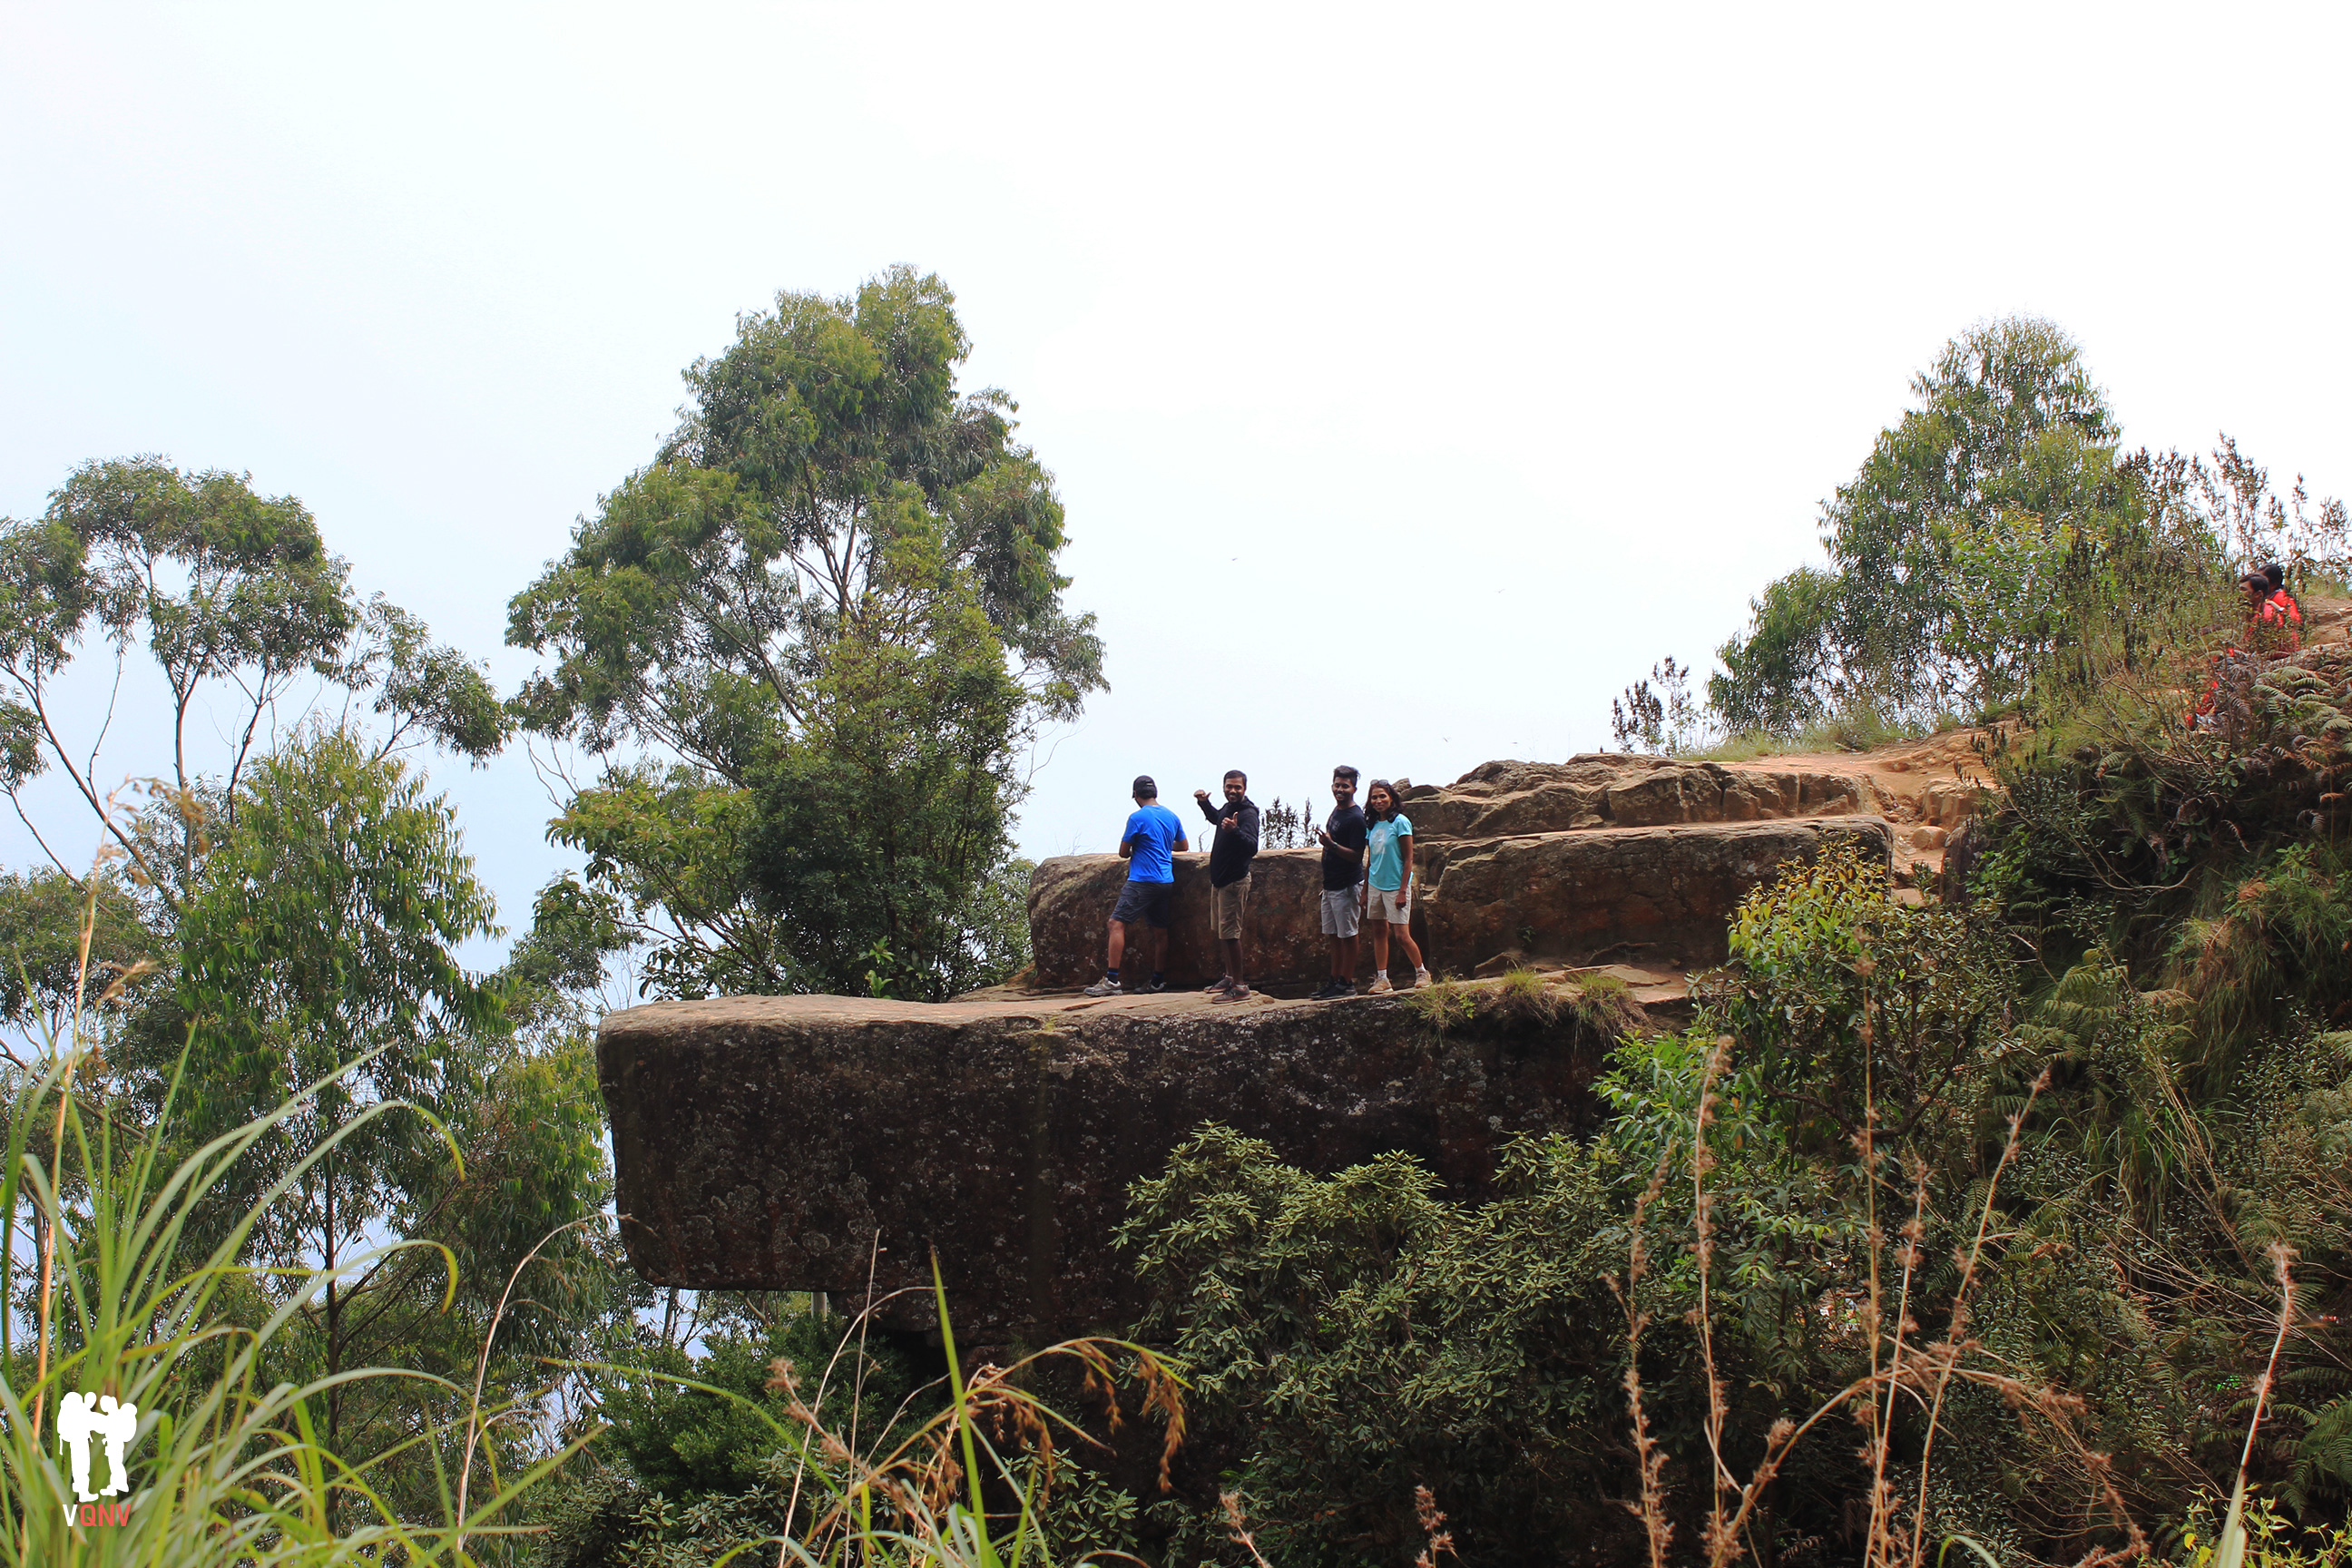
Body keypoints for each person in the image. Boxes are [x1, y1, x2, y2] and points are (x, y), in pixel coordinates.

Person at [1083, 776, 1188, 996]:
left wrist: (1141, 849)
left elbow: (1123, 852)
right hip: (1165, 881)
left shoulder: (1137, 818)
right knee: (1160, 931)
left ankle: (1112, 980)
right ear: (1155, 793)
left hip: (1142, 880)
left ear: (1136, 795)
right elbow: (1183, 846)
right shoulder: (1171, 816)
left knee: (1116, 924)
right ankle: (1157, 981)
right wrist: (1162, 845)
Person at [1192, 770, 1260, 1002]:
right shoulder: (1227, 809)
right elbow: (1216, 818)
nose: (1233, 791)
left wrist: (1235, 831)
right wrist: (1204, 804)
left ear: (1245, 789)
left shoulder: (1248, 813)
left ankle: (1240, 987)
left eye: (1237, 788)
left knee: (1231, 934)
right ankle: (1230, 976)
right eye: (1229, 787)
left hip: (1234, 881)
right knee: (1223, 932)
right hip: (1220, 880)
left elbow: (1252, 847)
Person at [1359, 779, 1430, 993]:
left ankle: (1422, 972)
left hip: (1395, 886)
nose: (1378, 801)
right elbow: (1371, 858)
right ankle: (1382, 978)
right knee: (1380, 931)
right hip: (1376, 885)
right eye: (1374, 797)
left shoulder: (1400, 822)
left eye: (1382, 796)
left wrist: (1402, 891)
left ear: (1391, 798)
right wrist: (1365, 890)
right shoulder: (1371, 825)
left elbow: (1408, 859)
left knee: (1401, 935)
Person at [1310, 766, 1367, 1000]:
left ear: (1354, 788)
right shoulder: (1337, 811)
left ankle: (1346, 982)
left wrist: (1331, 845)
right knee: (1333, 935)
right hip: (1330, 885)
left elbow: (1356, 855)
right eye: (1337, 785)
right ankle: (1334, 980)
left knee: (1348, 935)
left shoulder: (1356, 818)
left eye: (1345, 786)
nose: (1340, 790)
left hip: (1347, 885)